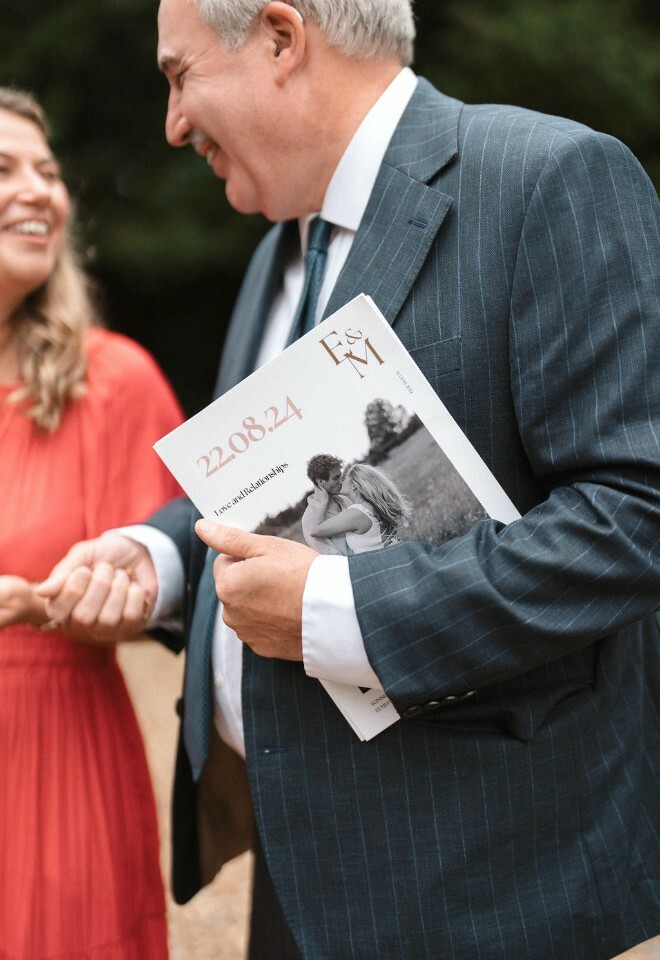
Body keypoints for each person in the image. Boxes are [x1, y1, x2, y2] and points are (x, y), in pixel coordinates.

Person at [38, 2, 660, 958]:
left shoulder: (546, 179)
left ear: (282, 41)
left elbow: (635, 516)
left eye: (178, 74)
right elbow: (259, 488)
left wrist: (340, 610)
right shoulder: (275, 247)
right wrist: (158, 555)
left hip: (477, 891)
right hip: (301, 872)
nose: (171, 124)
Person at [0, 87, 184, 958]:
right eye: (3, 170)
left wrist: (63, 603)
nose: (39, 190)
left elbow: (189, 573)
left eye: (48, 170)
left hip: (55, 756)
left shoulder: (115, 380)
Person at [307, 462, 411, 553]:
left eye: (343, 479)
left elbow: (315, 530)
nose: (339, 482)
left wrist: (323, 501)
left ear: (354, 485)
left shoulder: (357, 513)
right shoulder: (373, 505)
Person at [300, 453, 351, 555]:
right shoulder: (309, 518)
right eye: (335, 478)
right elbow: (332, 557)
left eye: (340, 477)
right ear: (320, 482)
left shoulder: (344, 500)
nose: (341, 482)